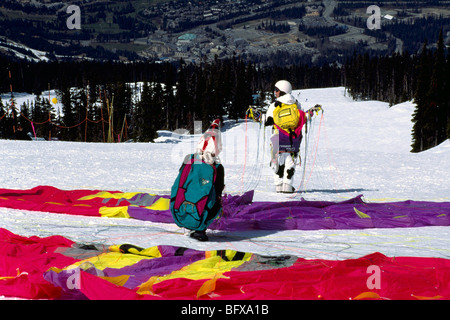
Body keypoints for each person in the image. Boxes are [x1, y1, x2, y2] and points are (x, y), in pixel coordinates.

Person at [171, 119, 225, 241]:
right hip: (202, 215)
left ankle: (189, 222)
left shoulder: (188, 158)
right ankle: (200, 227)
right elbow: (218, 192)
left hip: (178, 211)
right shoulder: (217, 167)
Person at [264, 80, 305, 193]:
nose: (275, 92)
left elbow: (267, 121)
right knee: (290, 161)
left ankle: (278, 185)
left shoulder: (274, 105)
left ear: (282, 91)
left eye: (276, 90)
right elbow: (302, 117)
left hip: (277, 137)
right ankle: (287, 185)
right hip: (293, 138)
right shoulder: (296, 103)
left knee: (277, 161)